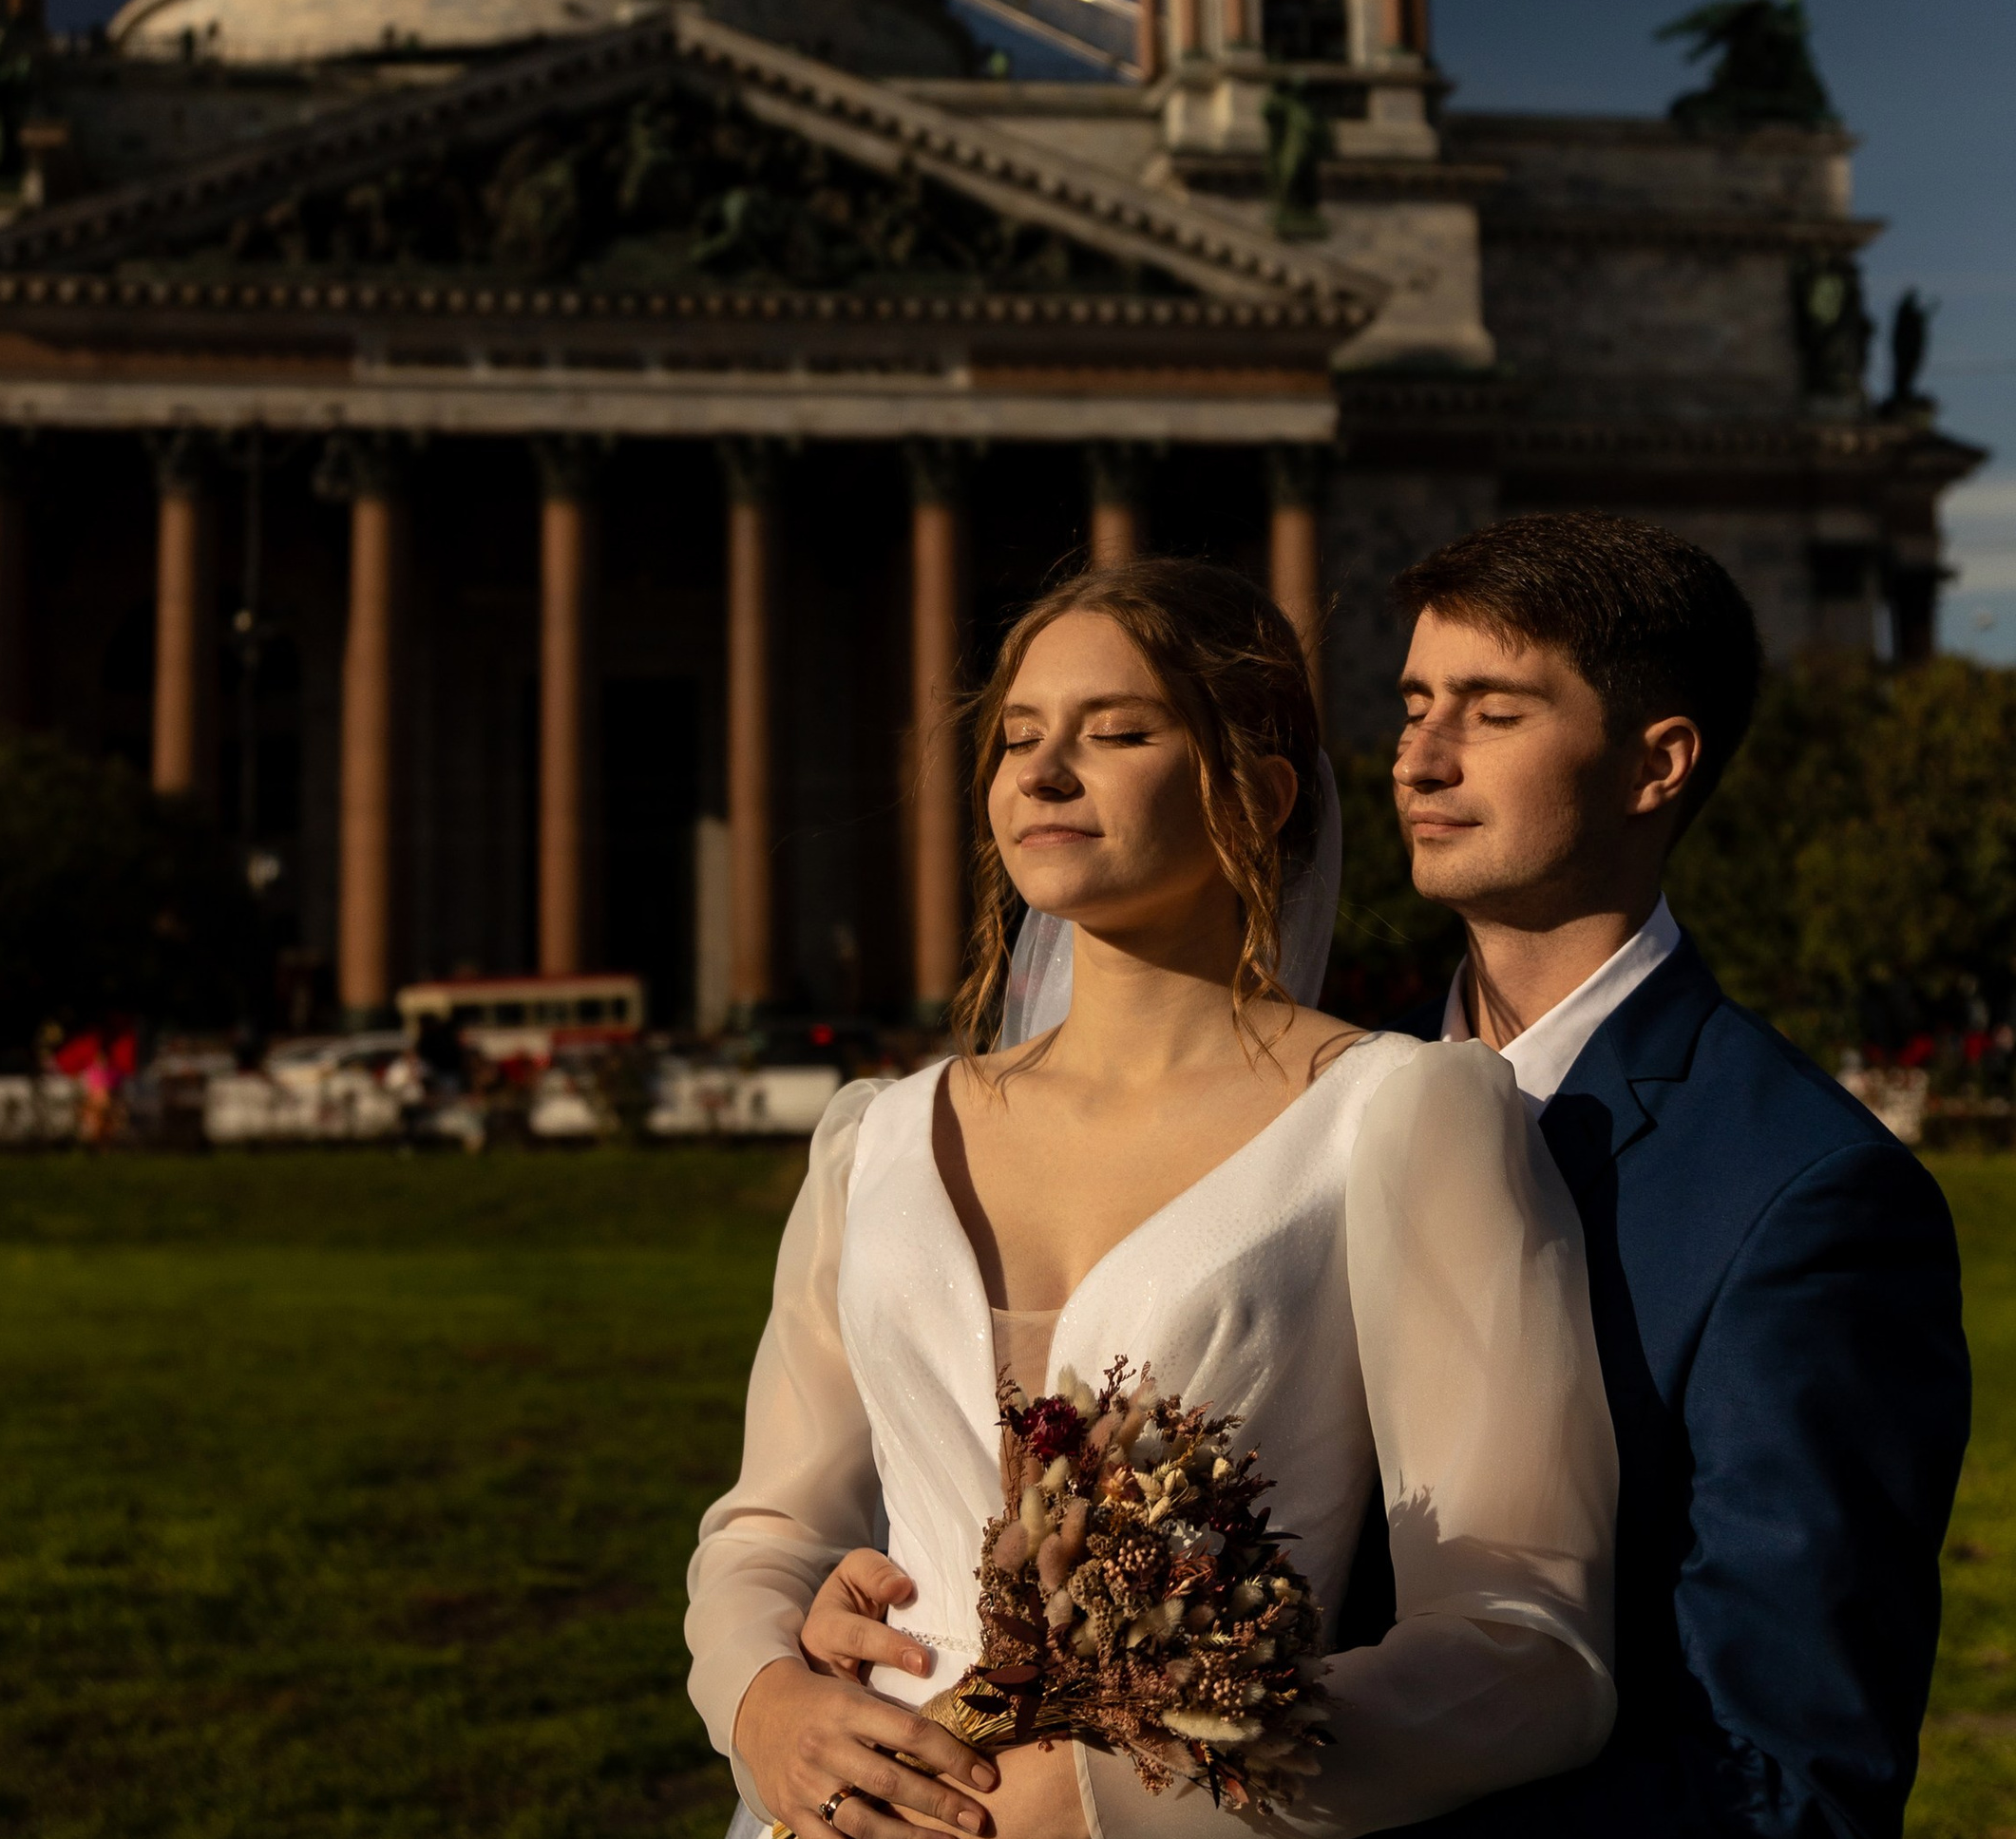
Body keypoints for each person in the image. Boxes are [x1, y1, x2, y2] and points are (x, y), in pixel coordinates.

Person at [686, 559, 1619, 1839]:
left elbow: (1529, 1642)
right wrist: (765, 1706)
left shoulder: (1403, 1119)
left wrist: (1099, 1796)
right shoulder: (877, 1139)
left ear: (1258, 793)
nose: (1045, 772)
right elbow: (771, 1523)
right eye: (1019, 738)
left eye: (1117, 732)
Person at [1355, 512, 1968, 1838]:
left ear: (1657, 764)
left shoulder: (1808, 1201)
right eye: (1413, 703)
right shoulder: (1315, 1109)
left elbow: (1783, 1780)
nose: (1420, 754)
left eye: (1493, 711)